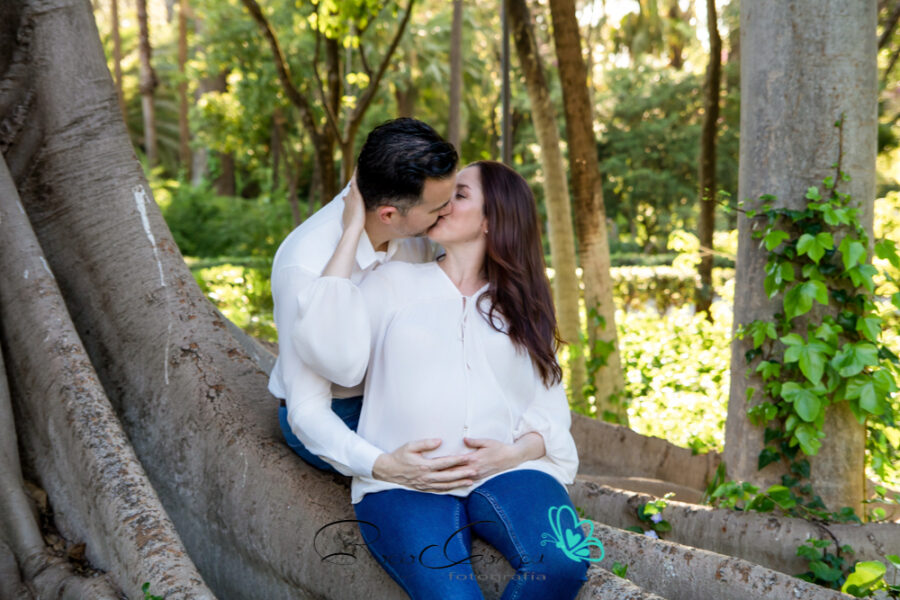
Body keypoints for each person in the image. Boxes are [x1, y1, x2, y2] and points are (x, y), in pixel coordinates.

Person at [324, 161, 590, 599]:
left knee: (563, 562)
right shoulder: (391, 282)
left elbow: (550, 411)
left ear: (492, 220)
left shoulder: (524, 307)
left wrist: (511, 454)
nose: (443, 202)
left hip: (510, 472)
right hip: (405, 481)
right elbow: (330, 349)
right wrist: (354, 227)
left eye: (460, 194)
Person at [269, 117, 471, 490]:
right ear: (389, 215)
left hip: (404, 394)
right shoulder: (306, 262)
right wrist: (382, 465)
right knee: (444, 474)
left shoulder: (415, 233)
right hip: (340, 411)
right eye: (439, 208)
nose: (449, 212)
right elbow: (306, 409)